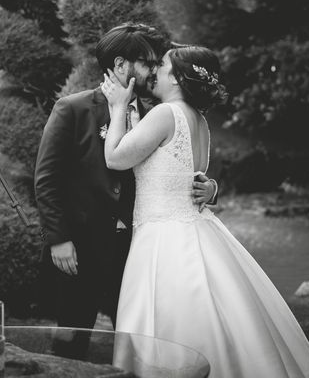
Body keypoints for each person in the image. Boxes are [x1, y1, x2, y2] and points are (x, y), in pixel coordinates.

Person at [102, 46, 309, 377]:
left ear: (177, 78)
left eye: (162, 65)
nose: (155, 70)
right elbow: (194, 176)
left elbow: (116, 158)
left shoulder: (166, 114)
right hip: (195, 226)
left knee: (171, 322)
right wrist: (212, 189)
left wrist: (118, 107)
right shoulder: (201, 121)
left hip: (164, 238)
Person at [34, 24, 218, 358]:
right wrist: (58, 238)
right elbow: (47, 179)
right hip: (81, 250)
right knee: (70, 342)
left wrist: (210, 187)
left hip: (140, 254)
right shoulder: (73, 109)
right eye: (148, 62)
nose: (153, 71)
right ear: (121, 65)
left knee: (140, 342)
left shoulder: (159, 112)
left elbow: (182, 166)